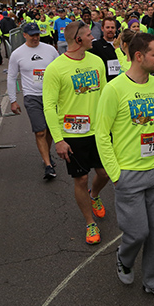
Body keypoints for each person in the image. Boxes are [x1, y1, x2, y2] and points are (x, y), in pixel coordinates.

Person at [95, 33, 154, 301]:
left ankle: (153, 281)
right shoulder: (114, 89)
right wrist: (116, 174)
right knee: (138, 231)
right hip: (129, 174)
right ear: (139, 56)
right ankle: (124, 258)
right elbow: (101, 134)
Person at [42, 21, 110, 245]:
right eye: (90, 35)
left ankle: (95, 195)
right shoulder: (56, 68)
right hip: (72, 134)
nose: (94, 37)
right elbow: (49, 107)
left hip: (98, 132)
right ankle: (90, 222)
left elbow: (104, 96)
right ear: (78, 40)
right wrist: (59, 140)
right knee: (80, 178)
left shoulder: (97, 61)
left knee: (104, 174)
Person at [7, 22, 59, 179]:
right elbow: (11, 77)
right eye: (32, 35)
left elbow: (60, 70)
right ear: (24, 35)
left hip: (51, 96)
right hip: (32, 96)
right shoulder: (17, 54)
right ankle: (48, 165)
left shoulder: (50, 50)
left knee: (50, 130)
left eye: (37, 34)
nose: (36, 38)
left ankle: (46, 155)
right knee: (40, 130)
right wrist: (13, 100)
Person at [90, 16, 120, 82]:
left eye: (112, 27)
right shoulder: (95, 45)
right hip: (105, 82)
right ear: (102, 29)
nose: (110, 30)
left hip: (120, 81)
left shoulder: (122, 45)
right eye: (107, 27)